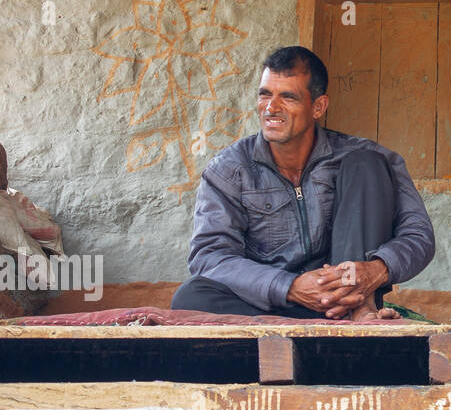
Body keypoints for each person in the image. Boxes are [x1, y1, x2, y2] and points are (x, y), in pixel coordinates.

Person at [172, 46, 435, 320]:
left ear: (318, 106)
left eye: (288, 97)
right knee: (190, 297)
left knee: (365, 164)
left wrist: (375, 270)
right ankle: (322, 324)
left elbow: (419, 235)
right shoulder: (228, 169)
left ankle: (354, 311)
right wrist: (290, 287)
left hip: (349, 298)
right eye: (265, 95)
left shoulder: (375, 158)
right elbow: (210, 256)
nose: (271, 108)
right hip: (275, 302)